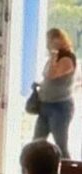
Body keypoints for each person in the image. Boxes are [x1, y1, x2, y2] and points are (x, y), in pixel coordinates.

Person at [34, 28, 77, 159]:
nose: (50, 42)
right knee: (37, 141)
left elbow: (53, 74)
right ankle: (37, 172)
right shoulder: (53, 57)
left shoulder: (67, 58)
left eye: (54, 38)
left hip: (60, 106)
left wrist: (53, 56)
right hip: (45, 105)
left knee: (60, 144)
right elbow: (46, 75)